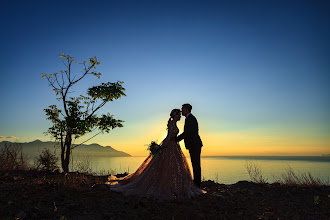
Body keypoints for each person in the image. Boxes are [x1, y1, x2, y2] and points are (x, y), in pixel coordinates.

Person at [108, 109, 203, 200]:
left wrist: (173, 141)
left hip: (174, 147)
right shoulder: (173, 124)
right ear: (175, 115)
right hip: (170, 147)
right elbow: (169, 137)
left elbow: (179, 135)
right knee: (167, 166)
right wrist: (162, 147)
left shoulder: (176, 122)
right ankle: (165, 185)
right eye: (179, 114)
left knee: (172, 166)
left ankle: (172, 184)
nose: (180, 116)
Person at [177, 104, 203, 188]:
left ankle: (197, 184)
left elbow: (187, 133)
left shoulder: (191, 119)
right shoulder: (189, 118)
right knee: (195, 163)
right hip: (193, 145)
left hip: (195, 145)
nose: (181, 111)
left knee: (196, 164)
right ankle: (196, 182)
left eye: (182, 109)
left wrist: (177, 139)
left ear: (186, 109)